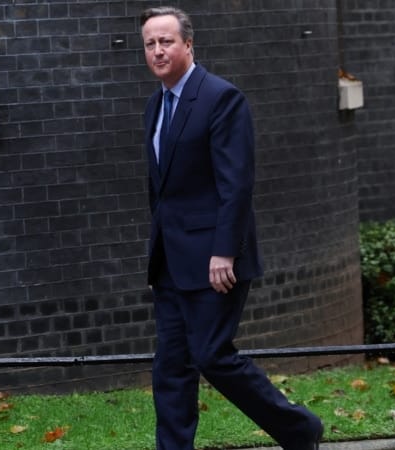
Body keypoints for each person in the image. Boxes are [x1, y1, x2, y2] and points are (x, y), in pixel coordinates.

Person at [139, 6, 323, 450]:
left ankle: (300, 429)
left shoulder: (221, 98)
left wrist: (225, 251)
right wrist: (158, 251)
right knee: (171, 366)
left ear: (188, 45)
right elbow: (160, 189)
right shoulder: (155, 106)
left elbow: (236, 183)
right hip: (170, 262)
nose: (158, 50)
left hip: (214, 261)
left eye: (166, 41)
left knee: (212, 355)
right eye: (150, 44)